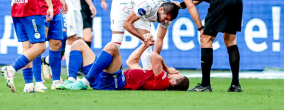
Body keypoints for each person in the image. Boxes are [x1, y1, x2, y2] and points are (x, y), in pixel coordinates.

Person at [167, 0, 243, 92]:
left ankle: (205, 85)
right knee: (230, 40)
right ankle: (235, 85)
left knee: (205, 39)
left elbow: (191, 5)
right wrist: (182, 5)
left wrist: (200, 27)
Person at [55, 40, 189, 91]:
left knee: (112, 47)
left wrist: (166, 68)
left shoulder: (163, 82)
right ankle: (71, 80)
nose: (175, 70)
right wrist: (144, 45)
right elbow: (131, 62)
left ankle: (84, 82)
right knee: (78, 44)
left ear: (173, 82)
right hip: (106, 78)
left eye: (177, 73)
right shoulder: (150, 78)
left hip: (115, 82)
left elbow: (154, 56)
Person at [109, 0, 179, 70]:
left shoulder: (167, 15)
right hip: (123, 2)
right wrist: (143, 38)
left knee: (147, 43)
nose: (166, 22)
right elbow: (127, 24)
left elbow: (159, 39)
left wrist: (154, 61)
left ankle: (148, 75)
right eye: (166, 18)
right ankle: (97, 76)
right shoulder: (147, 5)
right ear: (161, 9)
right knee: (117, 40)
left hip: (139, 5)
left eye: (169, 20)